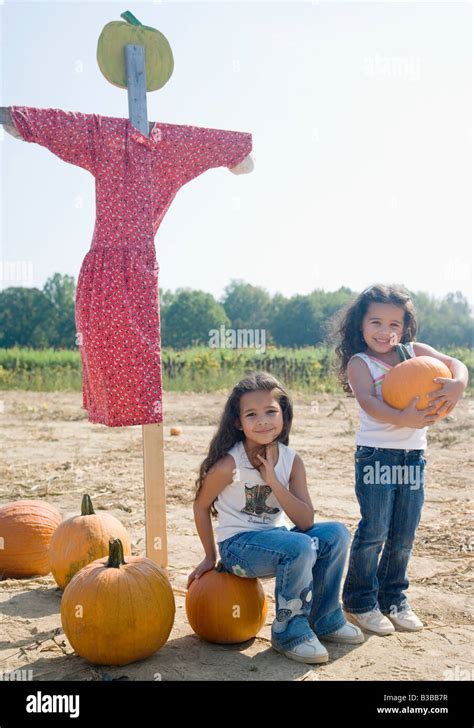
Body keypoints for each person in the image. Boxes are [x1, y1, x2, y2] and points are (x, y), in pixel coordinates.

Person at [187, 372, 364, 664]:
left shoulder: (292, 461)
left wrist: (273, 480)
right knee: (299, 546)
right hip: (239, 550)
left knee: (336, 534)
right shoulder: (229, 464)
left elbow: (305, 522)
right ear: (238, 423)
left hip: (282, 541)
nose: (263, 420)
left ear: (284, 415)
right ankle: (289, 633)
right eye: (251, 414)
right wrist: (209, 555)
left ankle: (325, 619)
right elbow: (200, 506)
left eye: (271, 411)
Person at [335, 283, 468, 635]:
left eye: (394, 324)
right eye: (376, 322)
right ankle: (360, 601)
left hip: (413, 456)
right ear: (360, 325)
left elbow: (456, 364)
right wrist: (405, 419)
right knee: (375, 529)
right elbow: (369, 402)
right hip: (376, 455)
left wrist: (459, 383)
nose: (385, 331)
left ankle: (393, 597)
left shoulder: (415, 352)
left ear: (405, 327)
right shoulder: (360, 363)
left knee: (404, 532)